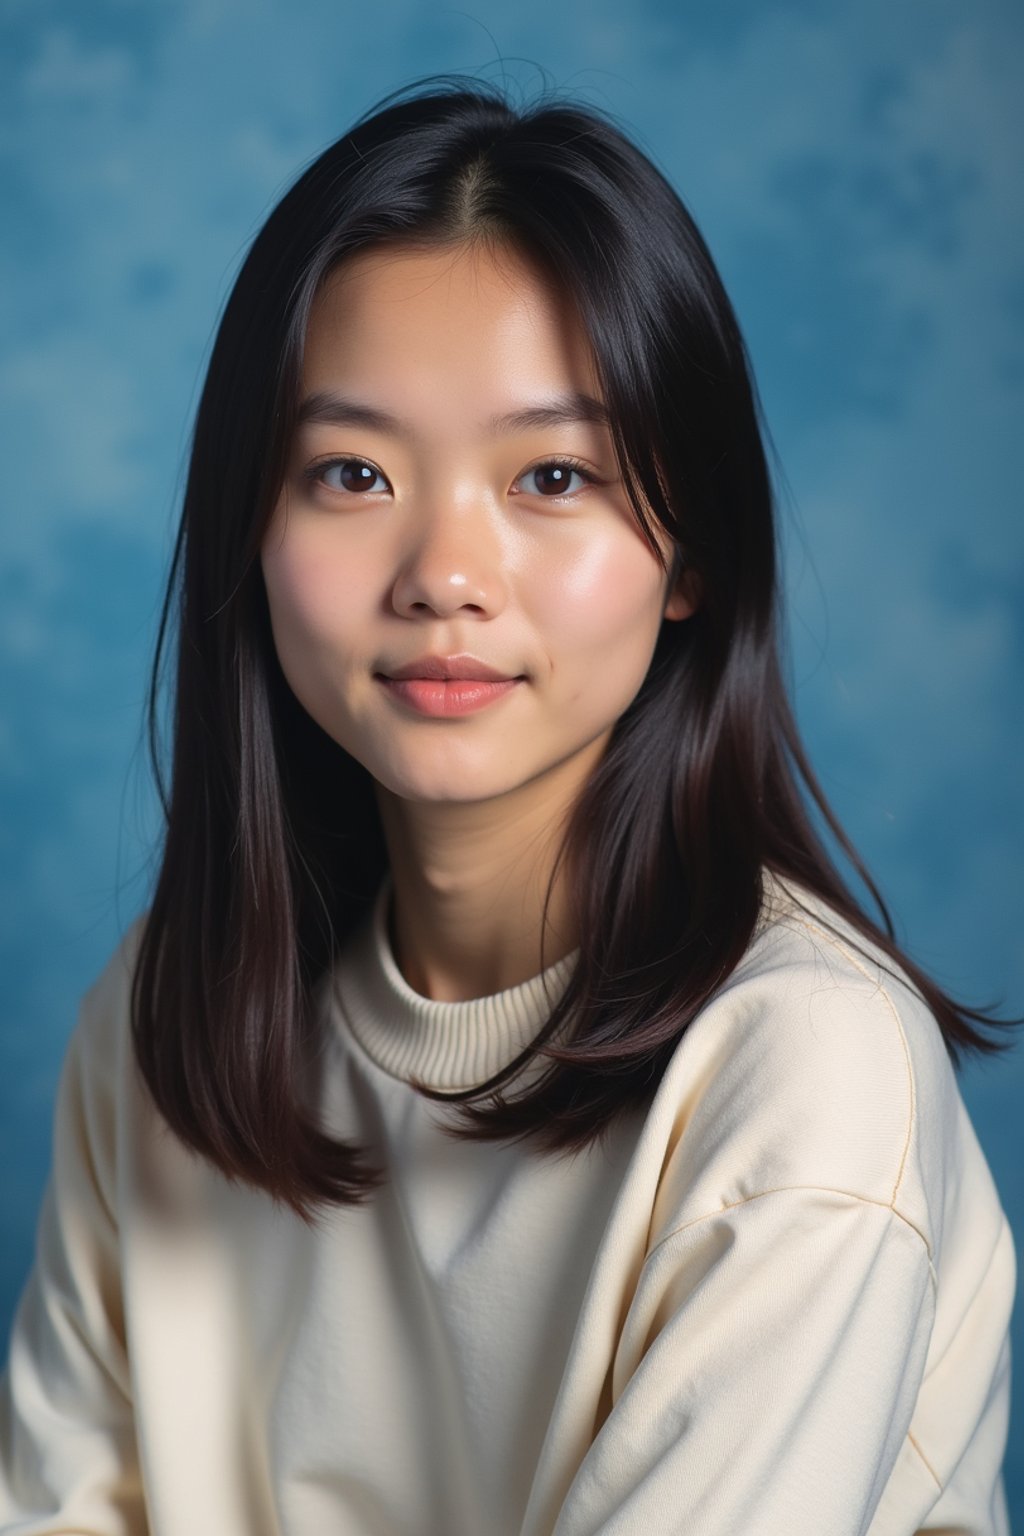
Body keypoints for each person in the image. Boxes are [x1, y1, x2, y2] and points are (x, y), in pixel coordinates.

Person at [0, 75, 1016, 1536]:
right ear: (249, 530)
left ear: (691, 558)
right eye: (351, 473)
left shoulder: (801, 1070)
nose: (444, 575)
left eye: (552, 475)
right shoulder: (160, 1023)